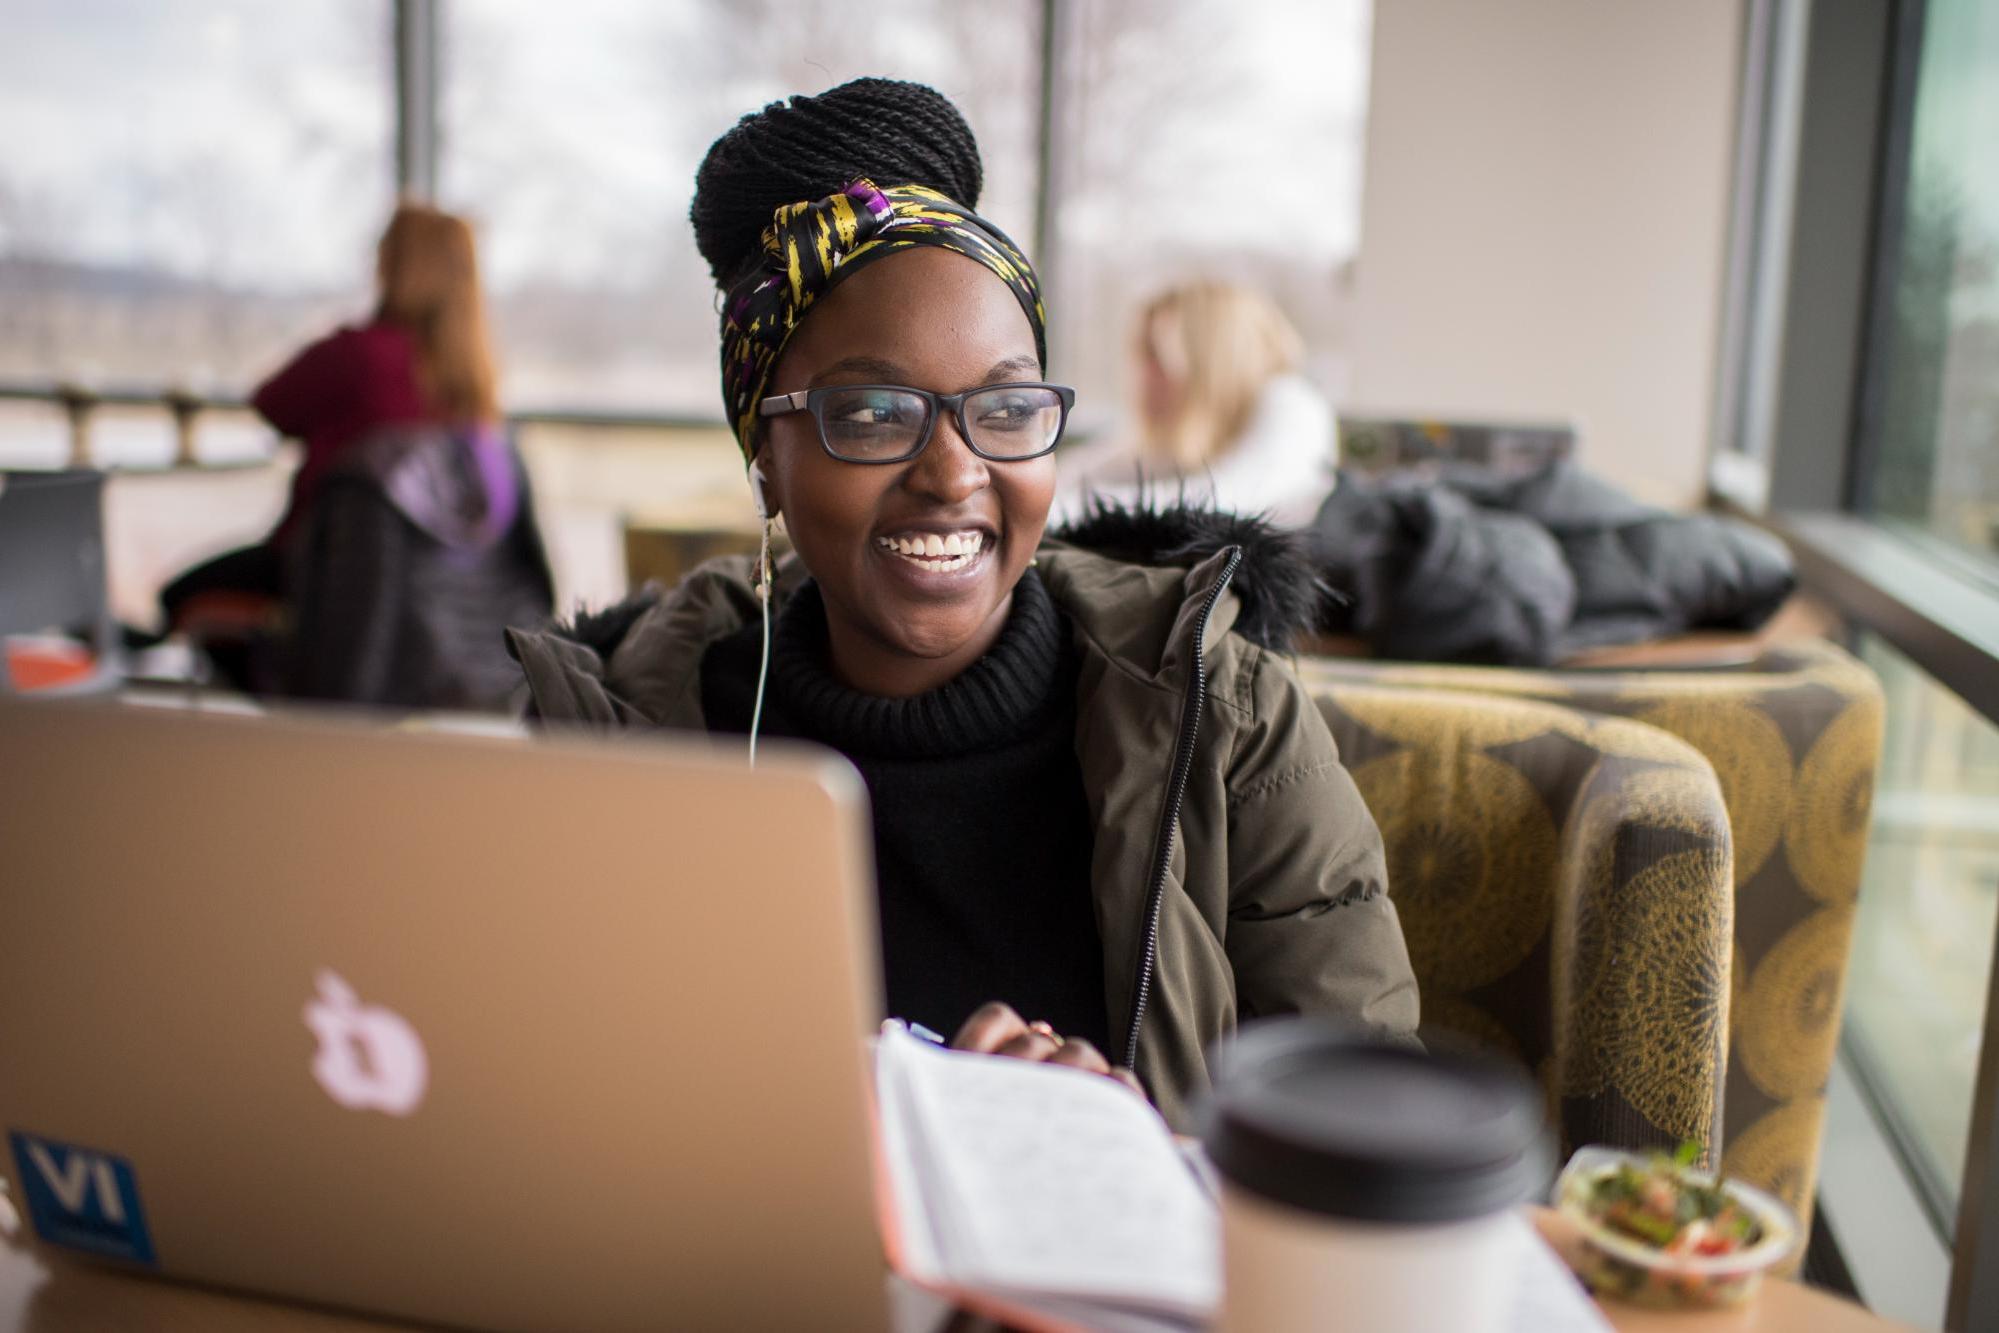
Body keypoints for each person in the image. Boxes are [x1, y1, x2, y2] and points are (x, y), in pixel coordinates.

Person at [506, 79, 1417, 1129]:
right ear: (766, 458)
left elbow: (1359, 1130)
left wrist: (1119, 1150)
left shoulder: (1223, 716)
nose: (954, 472)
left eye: (1004, 406)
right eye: (874, 411)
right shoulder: (617, 736)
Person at [159, 202, 503, 632]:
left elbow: (271, 403)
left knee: (174, 597)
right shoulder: (472, 380)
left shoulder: (360, 353)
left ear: (395, 265)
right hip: (424, 593)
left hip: (324, 571)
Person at [1051, 281, 1337, 528]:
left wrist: (1063, 508)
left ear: (1208, 360)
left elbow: (1228, 501)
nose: (1144, 374)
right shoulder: (1192, 432)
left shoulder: (1291, 402)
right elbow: (1088, 471)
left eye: (1157, 354)